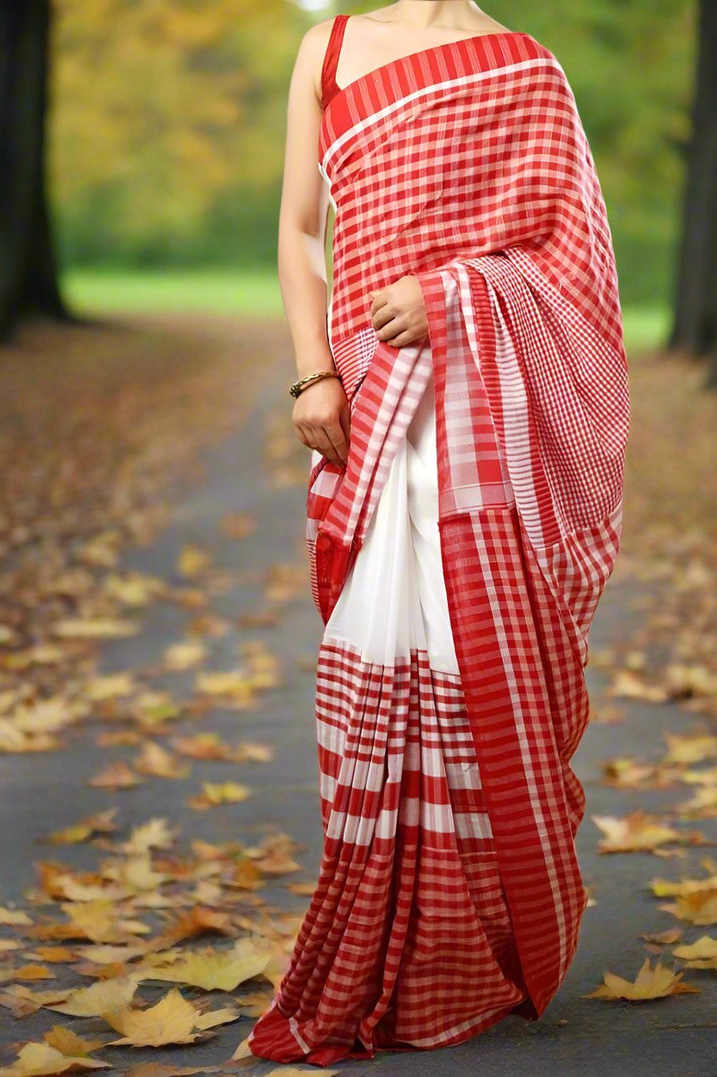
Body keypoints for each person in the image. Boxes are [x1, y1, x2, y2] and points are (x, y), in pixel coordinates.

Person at [247, 0, 630, 1066]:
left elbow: (574, 264)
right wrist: (313, 370)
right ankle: (381, 939)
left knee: (477, 675)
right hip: (375, 412)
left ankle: (474, 948)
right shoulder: (327, 48)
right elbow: (295, 230)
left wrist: (459, 294)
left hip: (490, 426)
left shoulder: (525, 67)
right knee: (371, 663)